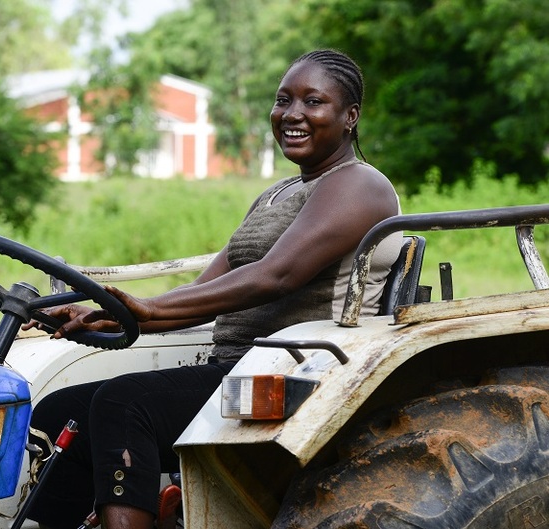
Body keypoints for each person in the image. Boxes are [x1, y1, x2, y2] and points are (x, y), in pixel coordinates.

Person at [24, 49, 402, 529]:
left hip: (301, 375)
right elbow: (206, 293)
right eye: (283, 100)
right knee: (61, 411)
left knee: (123, 404)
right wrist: (107, 314)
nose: (292, 115)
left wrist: (144, 306)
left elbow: (275, 275)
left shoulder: (359, 185)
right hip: (238, 366)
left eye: (313, 102)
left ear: (349, 117)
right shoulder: (277, 195)